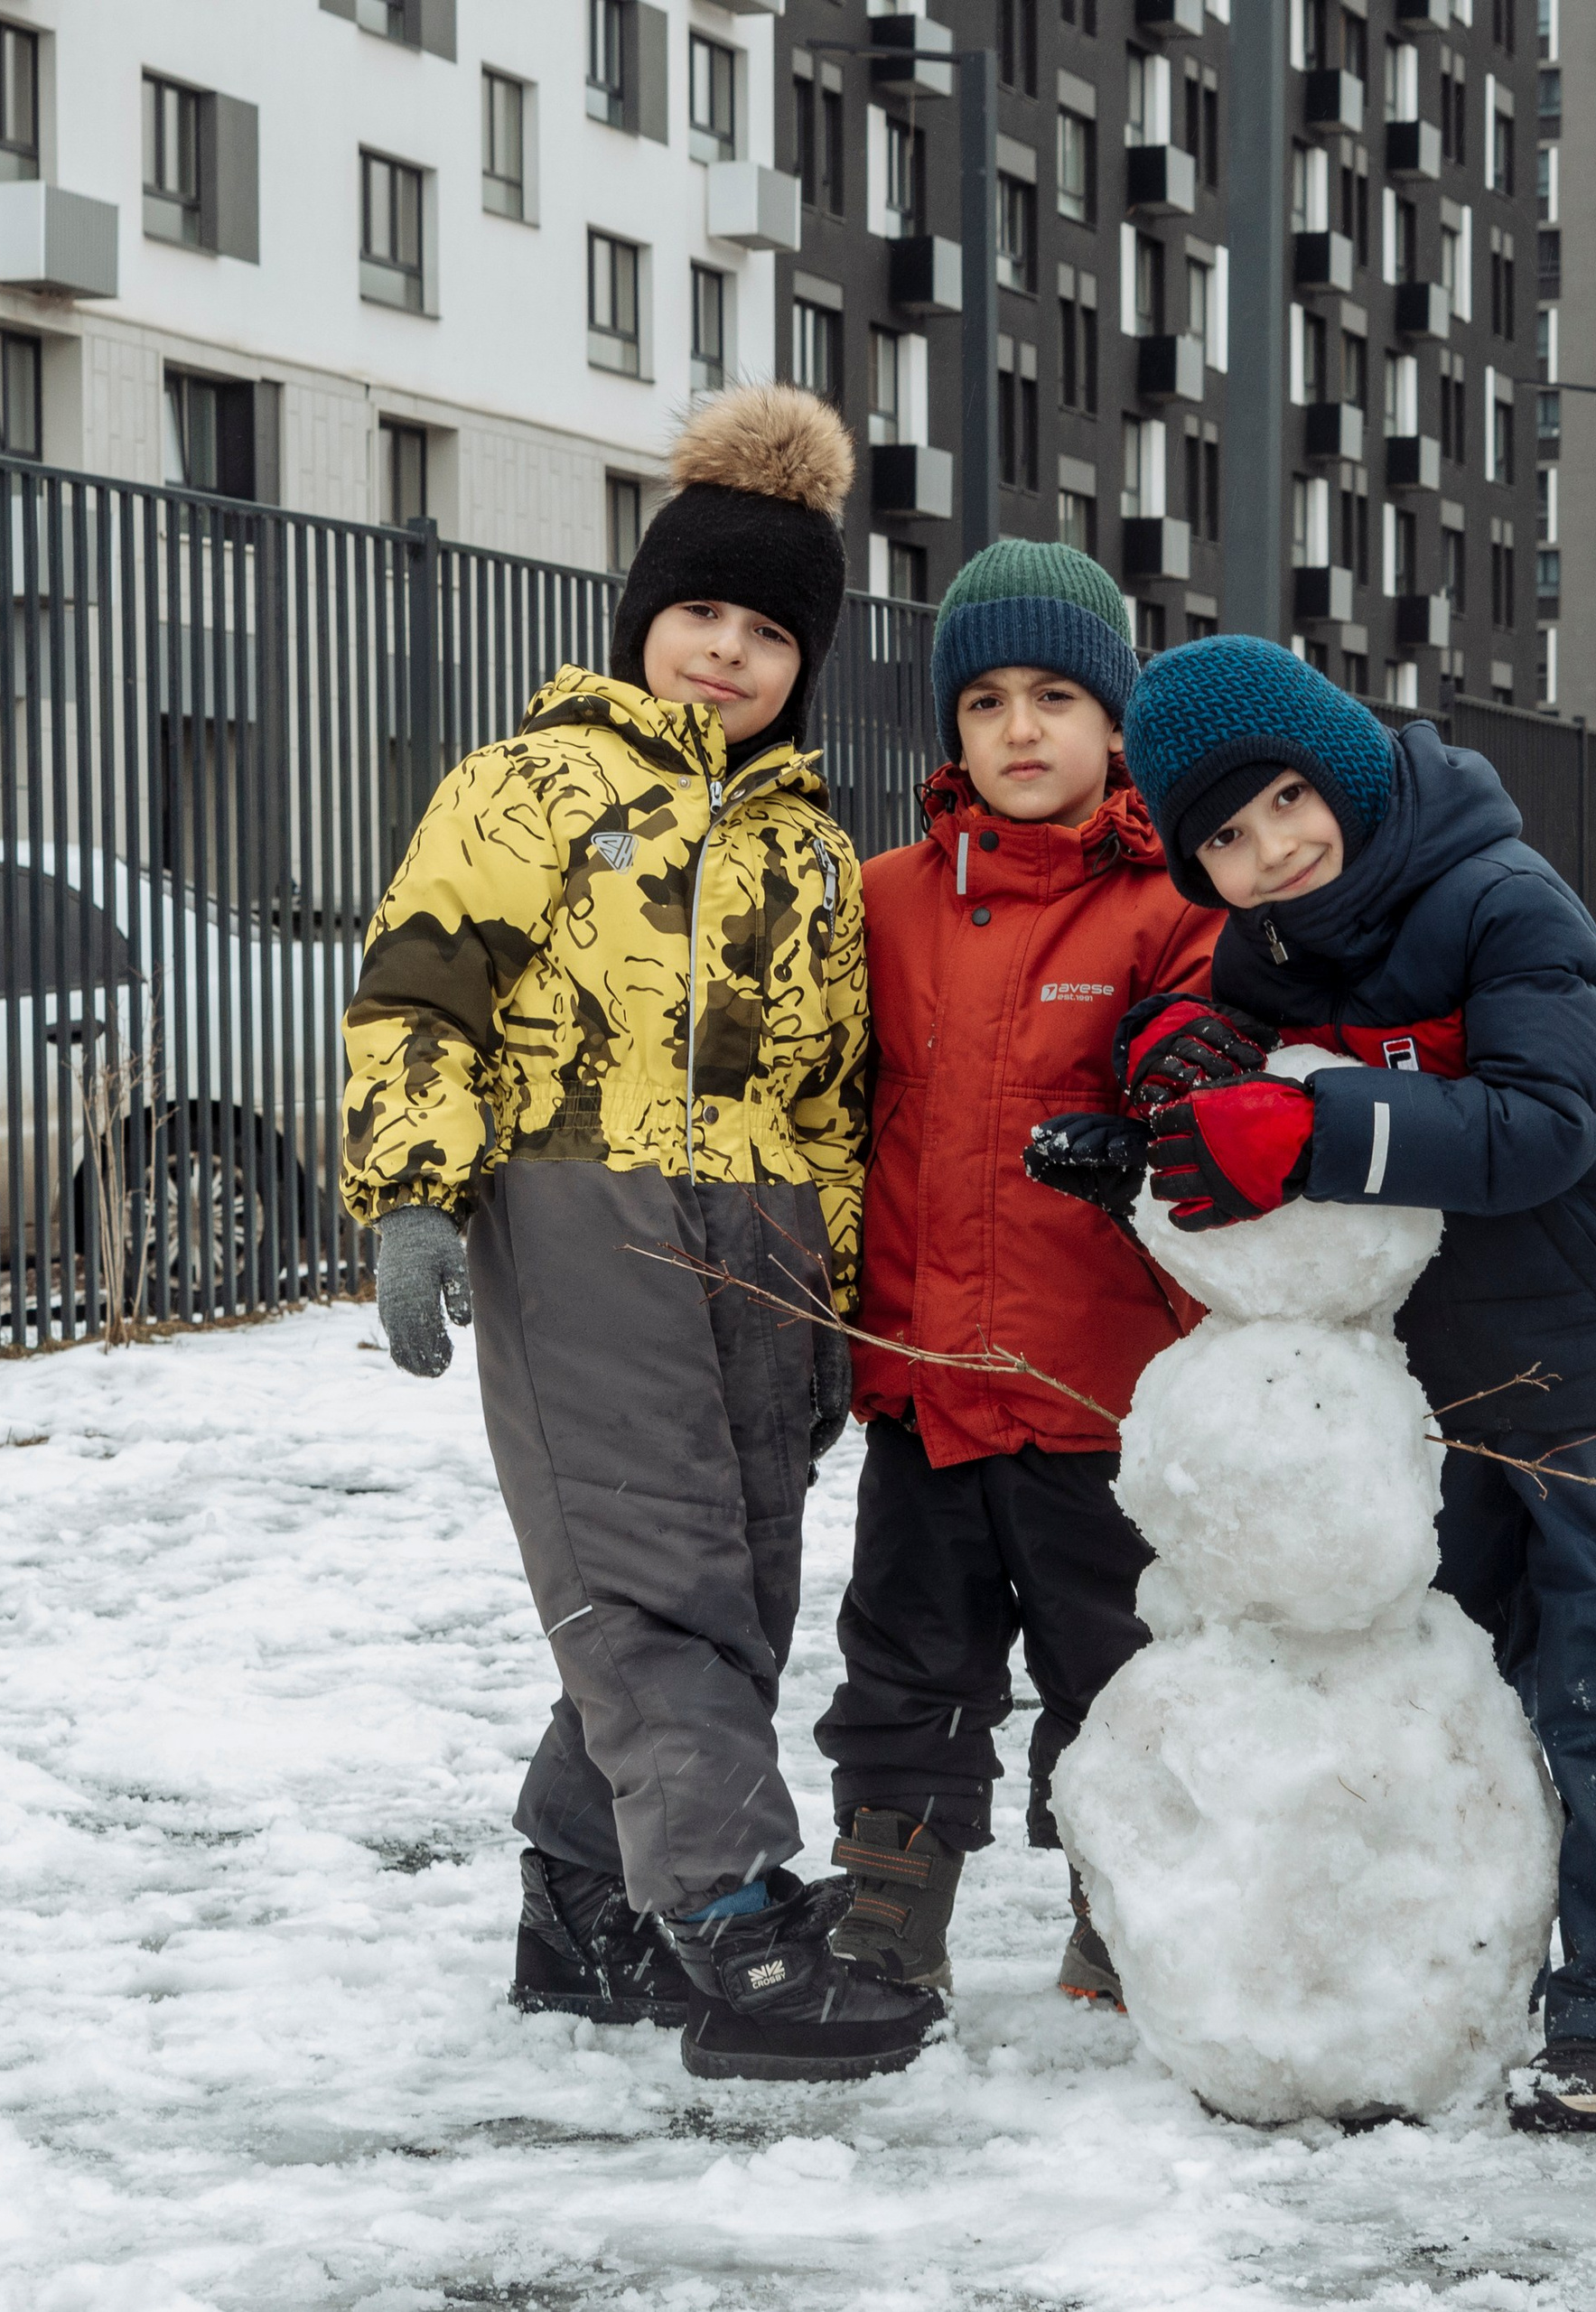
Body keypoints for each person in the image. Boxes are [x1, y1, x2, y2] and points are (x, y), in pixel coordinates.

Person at [340, 383, 940, 2084]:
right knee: (647, 1575)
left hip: (750, 1228)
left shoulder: (816, 849)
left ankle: (581, 1901)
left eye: (768, 631)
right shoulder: (530, 786)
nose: (728, 654)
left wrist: (825, 1296)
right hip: (577, 1192)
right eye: (700, 614)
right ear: (643, 618)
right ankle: (734, 1924)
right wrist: (413, 1191)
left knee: (734, 1584)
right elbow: (421, 991)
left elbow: (831, 1100)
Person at [1112, 635, 1596, 2133]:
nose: (1268, 851)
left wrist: (1311, 1132)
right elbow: (1256, 1090)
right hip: (1459, 1372)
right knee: (1485, 1675)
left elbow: (1547, 1124)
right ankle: (1496, 1960)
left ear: (1334, 763)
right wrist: (1165, 1101)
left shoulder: (1503, 899)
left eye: (1282, 804)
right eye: (1222, 838)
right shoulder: (1271, 950)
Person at [811, 540, 1223, 2004]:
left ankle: (1121, 1900)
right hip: (923, 1388)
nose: (1021, 730)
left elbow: (1207, 1099)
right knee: (905, 1667)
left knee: (1115, 1667)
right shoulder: (877, 903)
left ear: (1116, 723)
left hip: (1097, 1390)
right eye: (984, 701)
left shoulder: (1174, 907)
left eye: (1056, 695)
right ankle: (889, 1899)